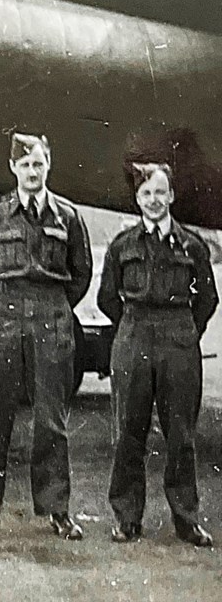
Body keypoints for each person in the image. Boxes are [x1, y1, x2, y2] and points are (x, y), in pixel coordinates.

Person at [0, 132, 92, 540]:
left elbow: (81, 274)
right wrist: (3, 303)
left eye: (38, 164)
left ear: (48, 165)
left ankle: (56, 509)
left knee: (51, 420)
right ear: (13, 169)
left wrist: (50, 303)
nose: (32, 172)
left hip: (51, 319)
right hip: (3, 317)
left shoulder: (68, 217)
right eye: (25, 165)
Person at [98, 162, 218, 547]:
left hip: (178, 341)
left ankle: (185, 518)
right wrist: (134, 328)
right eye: (145, 193)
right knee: (128, 433)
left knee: (181, 434)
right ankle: (128, 518)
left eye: (160, 192)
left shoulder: (193, 246)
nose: (153, 200)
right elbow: (107, 298)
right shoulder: (122, 246)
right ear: (137, 199)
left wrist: (183, 333)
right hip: (134, 337)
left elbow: (207, 299)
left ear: (172, 196)